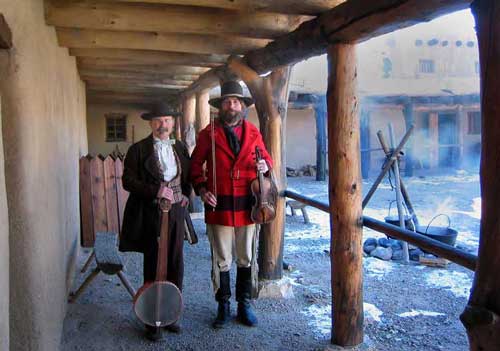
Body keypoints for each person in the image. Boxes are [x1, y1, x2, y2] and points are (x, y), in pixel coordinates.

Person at [190, 81, 273, 329]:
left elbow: (266, 159)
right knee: (222, 259)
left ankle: (244, 304)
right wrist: (203, 190)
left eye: (236, 101)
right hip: (220, 205)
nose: (231, 105)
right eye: (227, 101)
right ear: (221, 106)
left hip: (249, 205)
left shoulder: (254, 133)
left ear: (242, 106)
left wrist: (265, 166)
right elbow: (195, 167)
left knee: (246, 257)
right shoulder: (208, 134)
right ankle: (223, 305)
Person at [119, 103, 191, 341]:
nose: (163, 125)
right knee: (154, 263)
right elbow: (128, 181)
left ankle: (171, 314)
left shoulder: (179, 146)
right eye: (159, 120)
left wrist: (186, 196)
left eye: (168, 120)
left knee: (175, 262)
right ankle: (153, 320)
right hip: (151, 213)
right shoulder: (138, 150)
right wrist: (156, 190)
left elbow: (187, 174)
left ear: (173, 123)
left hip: (177, 213)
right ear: (151, 123)